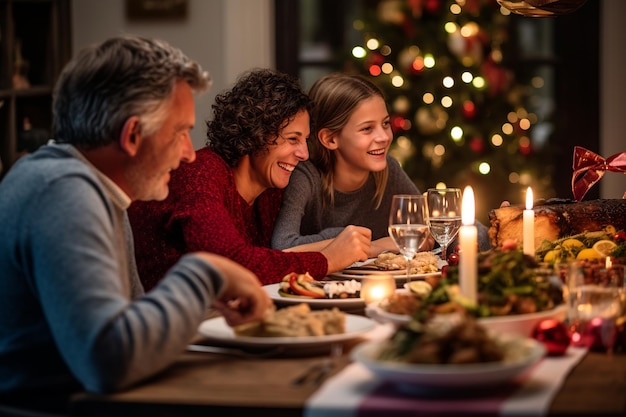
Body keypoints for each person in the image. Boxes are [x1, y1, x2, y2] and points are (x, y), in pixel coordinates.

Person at [0, 35, 271, 412]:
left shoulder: (97, 189)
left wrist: (199, 305)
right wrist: (205, 271)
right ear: (131, 136)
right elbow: (108, 361)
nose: (190, 154)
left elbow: (134, 327)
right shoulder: (64, 193)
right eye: (180, 133)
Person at [128, 69, 371, 292]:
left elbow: (280, 254)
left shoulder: (270, 188)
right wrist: (327, 260)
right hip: (169, 327)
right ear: (255, 134)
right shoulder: (200, 173)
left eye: (305, 140)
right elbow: (230, 263)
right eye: (292, 139)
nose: (304, 154)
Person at [271, 73, 491, 256]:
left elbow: (426, 230)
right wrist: (363, 242)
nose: (384, 137)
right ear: (330, 139)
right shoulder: (305, 176)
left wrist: (494, 234)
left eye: (385, 124)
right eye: (367, 128)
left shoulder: (388, 170)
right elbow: (282, 248)